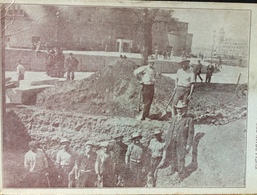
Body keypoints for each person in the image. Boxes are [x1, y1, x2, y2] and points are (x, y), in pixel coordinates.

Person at [156, 100, 195, 182]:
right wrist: (167, 141)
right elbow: (170, 130)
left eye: (181, 109)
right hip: (172, 141)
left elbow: (190, 133)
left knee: (180, 157)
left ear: (185, 109)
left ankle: (181, 174)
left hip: (181, 142)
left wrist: (188, 144)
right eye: (178, 109)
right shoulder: (174, 118)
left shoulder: (189, 120)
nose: (179, 111)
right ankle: (173, 169)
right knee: (173, 156)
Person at [134, 56, 156, 120]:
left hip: (152, 86)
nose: (151, 63)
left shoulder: (154, 69)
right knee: (147, 101)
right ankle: (144, 116)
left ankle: (146, 115)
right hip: (146, 86)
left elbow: (154, 76)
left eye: (152, 62)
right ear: (148, 62)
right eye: (150, 62)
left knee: (150, 101)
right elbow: (135, 72)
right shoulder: (145, 68)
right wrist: (140, 80)